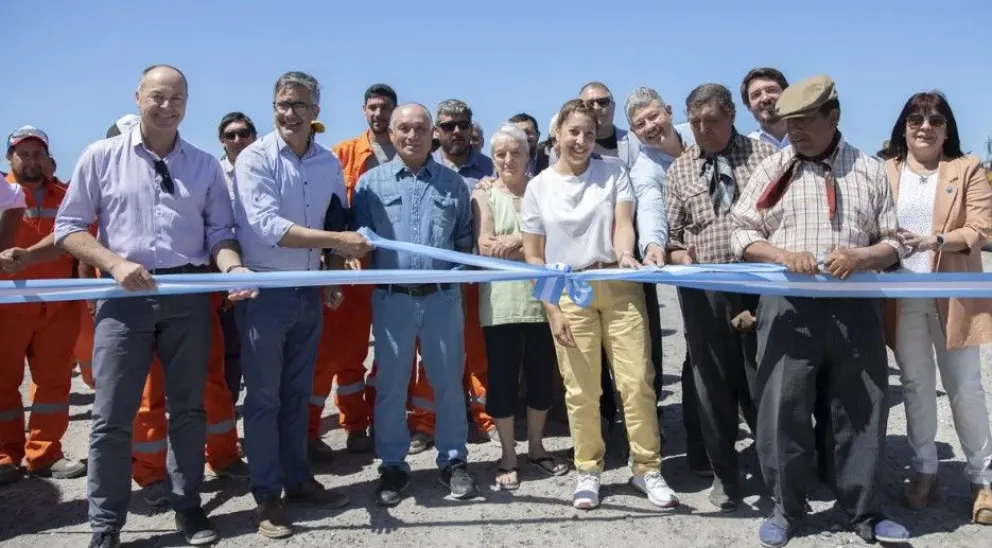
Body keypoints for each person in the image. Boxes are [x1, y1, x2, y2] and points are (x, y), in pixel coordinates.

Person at [54, 65, 256, 548]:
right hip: (124, 296)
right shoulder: (101, 156)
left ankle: (188, 505)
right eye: (158, 97)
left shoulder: (204, 164)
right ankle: (105, 524)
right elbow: (69, 227)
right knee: (110, 416)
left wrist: (232, 269)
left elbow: (219, 234)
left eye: (178, 97)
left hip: (187, 294)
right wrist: (114, 263)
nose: (169, 106)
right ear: (138, 96)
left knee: (188, 408)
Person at [730, 74, 910, 547]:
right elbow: (740, 232)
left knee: (862, 407)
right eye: (790, 123)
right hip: (788, 308)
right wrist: (782, 256)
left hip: (856, 307)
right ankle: (786, 509)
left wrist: (862, 258)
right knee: (782, 410)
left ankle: (865, 512)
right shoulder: (773, 169)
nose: (796, 131)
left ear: (833, 117)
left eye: (807, 121)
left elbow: (894, 240)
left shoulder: (869, 169)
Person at [233, 71, 371, 539]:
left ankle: (298, 480)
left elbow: (334, 216)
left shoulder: (328, 163)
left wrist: (331, 269)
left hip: (310, 291)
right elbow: (269, 225)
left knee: (297, 395)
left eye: (299, 105)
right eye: (283, 103)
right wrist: (338, 241)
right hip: (266, 293)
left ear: (316, 112)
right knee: (265, 399)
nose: (289, 113)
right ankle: (267, 496)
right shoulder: (254, 159)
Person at [520, 99, 677, 510]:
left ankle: (647, 468)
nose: (582, 141)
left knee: (636, 381)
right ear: (557, 134)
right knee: (582, 389)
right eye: (573, 132)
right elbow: (533, 255)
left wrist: (626, 255)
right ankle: (589, 469)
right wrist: (552, 308)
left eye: (589, 133)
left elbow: (623, 225)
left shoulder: (614, 171)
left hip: (618, 283)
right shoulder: (538, 187)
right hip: (570, 291)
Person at [353, 102, 479, 507]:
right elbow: (358, 244)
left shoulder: (453, 186)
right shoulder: (369, 186)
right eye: (403, 128)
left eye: (421, 129)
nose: (412, 136)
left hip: (441, 299)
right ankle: (392, 463)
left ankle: (454, 460)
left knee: (447, 383)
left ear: (434, 135)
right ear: (391, 134)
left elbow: (463, 244)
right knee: (390, 386)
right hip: (393, 302)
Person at [881, 91, 992, 525]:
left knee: (965, 386)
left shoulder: (967, 170)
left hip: (954, 292)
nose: (924, 127)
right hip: (901, 294)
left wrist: (936, 241)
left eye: (935, 120)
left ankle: (982, 478)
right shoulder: (885, 169)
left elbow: (981, 227)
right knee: (914, 384)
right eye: (915, 119)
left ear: (947, 129)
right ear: (903, 127)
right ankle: (925, 469)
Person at [664, 84, 776, 510]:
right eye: (695, 123)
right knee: (711, 386)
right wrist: (674, 251)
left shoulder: (766, 158)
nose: (703, 130)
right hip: (703, 289)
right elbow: (672, 234)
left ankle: (774, 471)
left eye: (711, 121)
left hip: (757, 284)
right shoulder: (680, 170)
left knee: (762, 380)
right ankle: (726, 477)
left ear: (731, 115)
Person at [471, 124, 566, 490]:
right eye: (500, 154)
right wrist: (528, 242)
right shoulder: (483, 194)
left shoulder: (542, 190)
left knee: (543, 378)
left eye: (516, 153)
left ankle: (538, 447)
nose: (508, 160)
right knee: (503, 380)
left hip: (544, 301)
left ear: (529, 156)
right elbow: (485, 245)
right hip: (501, 303)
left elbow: (553, 239)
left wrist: (515, 242)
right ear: (493, 157)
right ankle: (509, 453)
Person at [310, 83, 398, 458]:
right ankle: (316, 430)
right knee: (337, 351)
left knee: (392, 352)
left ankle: (374, 422)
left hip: (394, 268)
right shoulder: (341, 155)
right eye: (373, 107)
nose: (379, 114)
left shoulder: (409, 153)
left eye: (386, 107)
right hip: (352, 267)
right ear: (364, 110)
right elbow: (329, 210)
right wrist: (333, 256)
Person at [0, 126, 86, 485]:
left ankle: (45, 453)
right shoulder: (3, 194)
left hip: (57, 307)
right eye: (23, 153)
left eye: (38, 153)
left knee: (53, 385)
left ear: (48, 157)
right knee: (3, 384)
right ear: (10, 158)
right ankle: (6, 455)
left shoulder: (66, 196)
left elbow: (80, 236)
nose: (31, 160)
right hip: (8, 308)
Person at [216, 112, 257, 408]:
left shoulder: (269, 170)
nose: (237, 140)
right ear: (222, 141)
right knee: (227, 355)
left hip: (264, 272)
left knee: (261, 355)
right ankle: (226, 425)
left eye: (243, 133)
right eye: (230, 135)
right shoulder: (212, 175)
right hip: (224, 276)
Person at [741, 68, 791, 149]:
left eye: (771, 90)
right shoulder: (745, 148)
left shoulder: (812, 136)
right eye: (756, 94)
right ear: (748, 106)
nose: (765, 98)